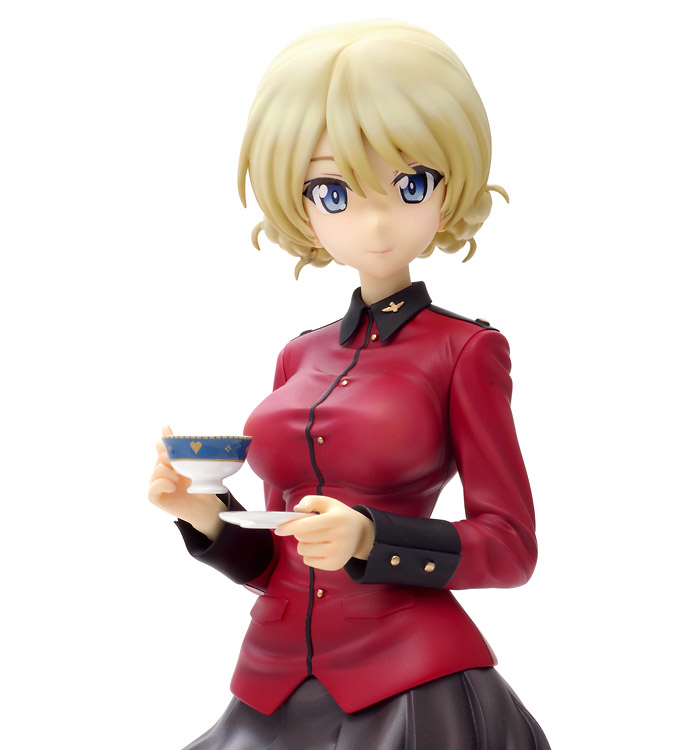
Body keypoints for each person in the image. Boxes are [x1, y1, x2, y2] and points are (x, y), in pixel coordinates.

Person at [149, 20, 551, 749]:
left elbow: (510, 547)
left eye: (409, 184)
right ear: (300, 204)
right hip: (272, 680)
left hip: (410, 679)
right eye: (333, 192)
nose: (374, 220)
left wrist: (372, 538)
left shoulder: (466, 351)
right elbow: (281, 557)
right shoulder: (298, 355)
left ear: (450, 184)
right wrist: (206, 515)